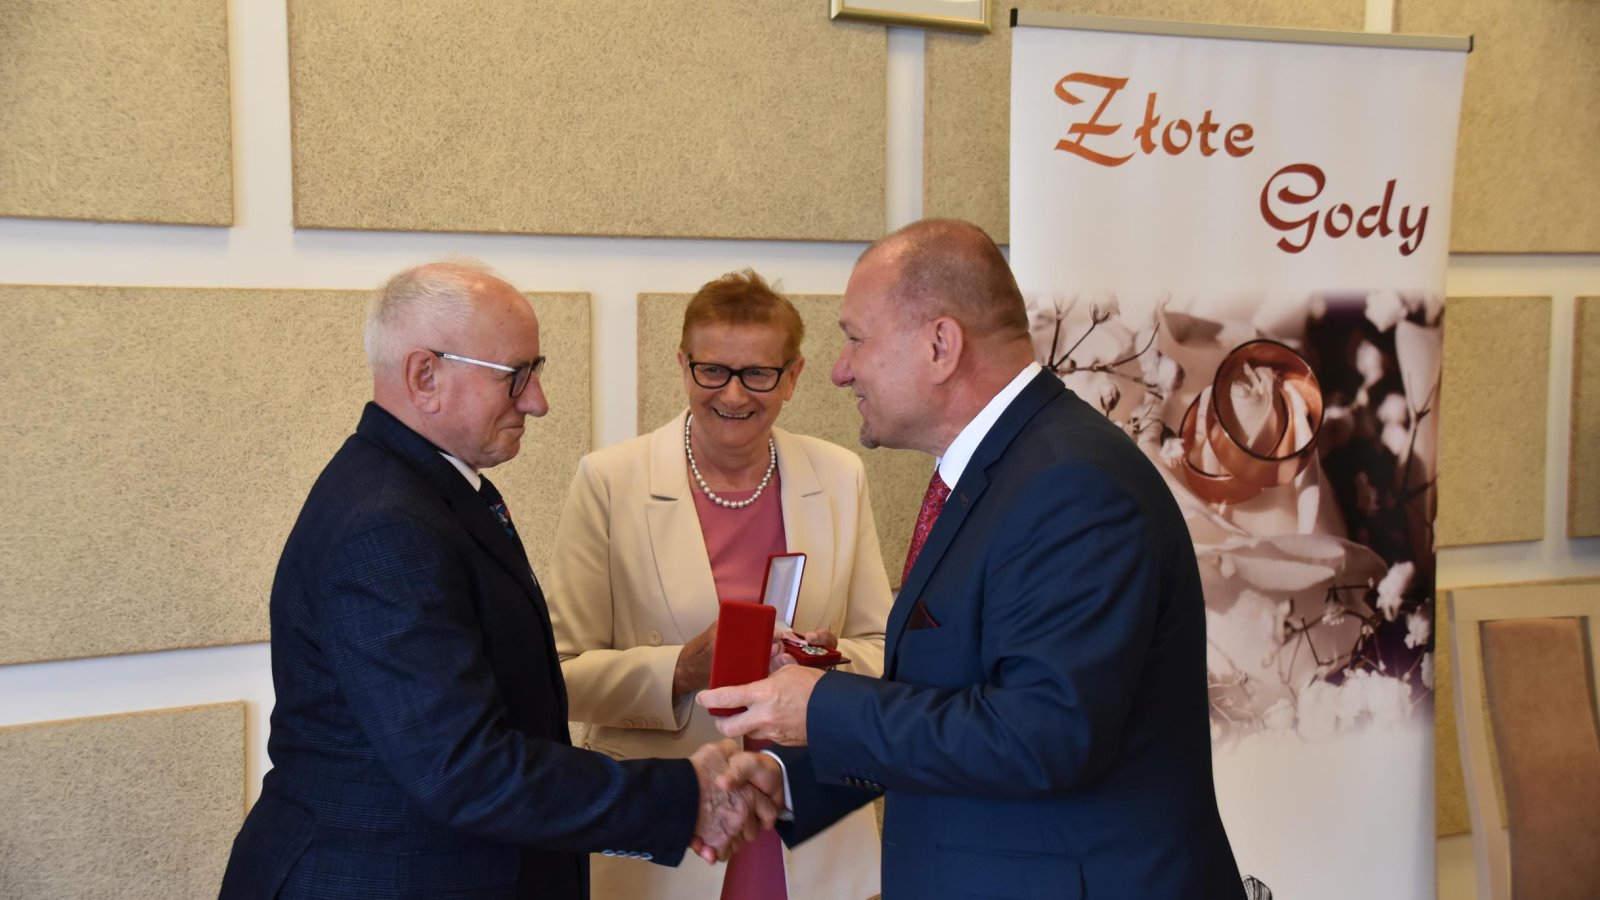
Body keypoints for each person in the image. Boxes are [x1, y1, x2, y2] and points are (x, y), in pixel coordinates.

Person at [698, 220, 1247, 899]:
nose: (841, 369)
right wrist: (790, 778)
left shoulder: (1070, 483)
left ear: (941, 344)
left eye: (855, 338)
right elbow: (956, 700)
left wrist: (820, 710)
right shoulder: (1009, 469)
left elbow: (1044, 736)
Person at [219, 261, 771, 900]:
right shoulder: (385, 524)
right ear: (425, 376)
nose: (538, 401)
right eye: (517, 375)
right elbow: (461, 767)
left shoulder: (426, 489)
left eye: (537, 371)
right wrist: (683, 798)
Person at [549, 269, 890, 900]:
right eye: (713, 370)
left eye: (757, 373)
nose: (733, 394)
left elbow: (883, 649)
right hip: (669, 834)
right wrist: (681, 668)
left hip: (808, 819)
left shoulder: (841, 476)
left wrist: (824, 668)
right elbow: (560, 675)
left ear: (792, 376)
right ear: (683, 366)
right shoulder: (609, 481)